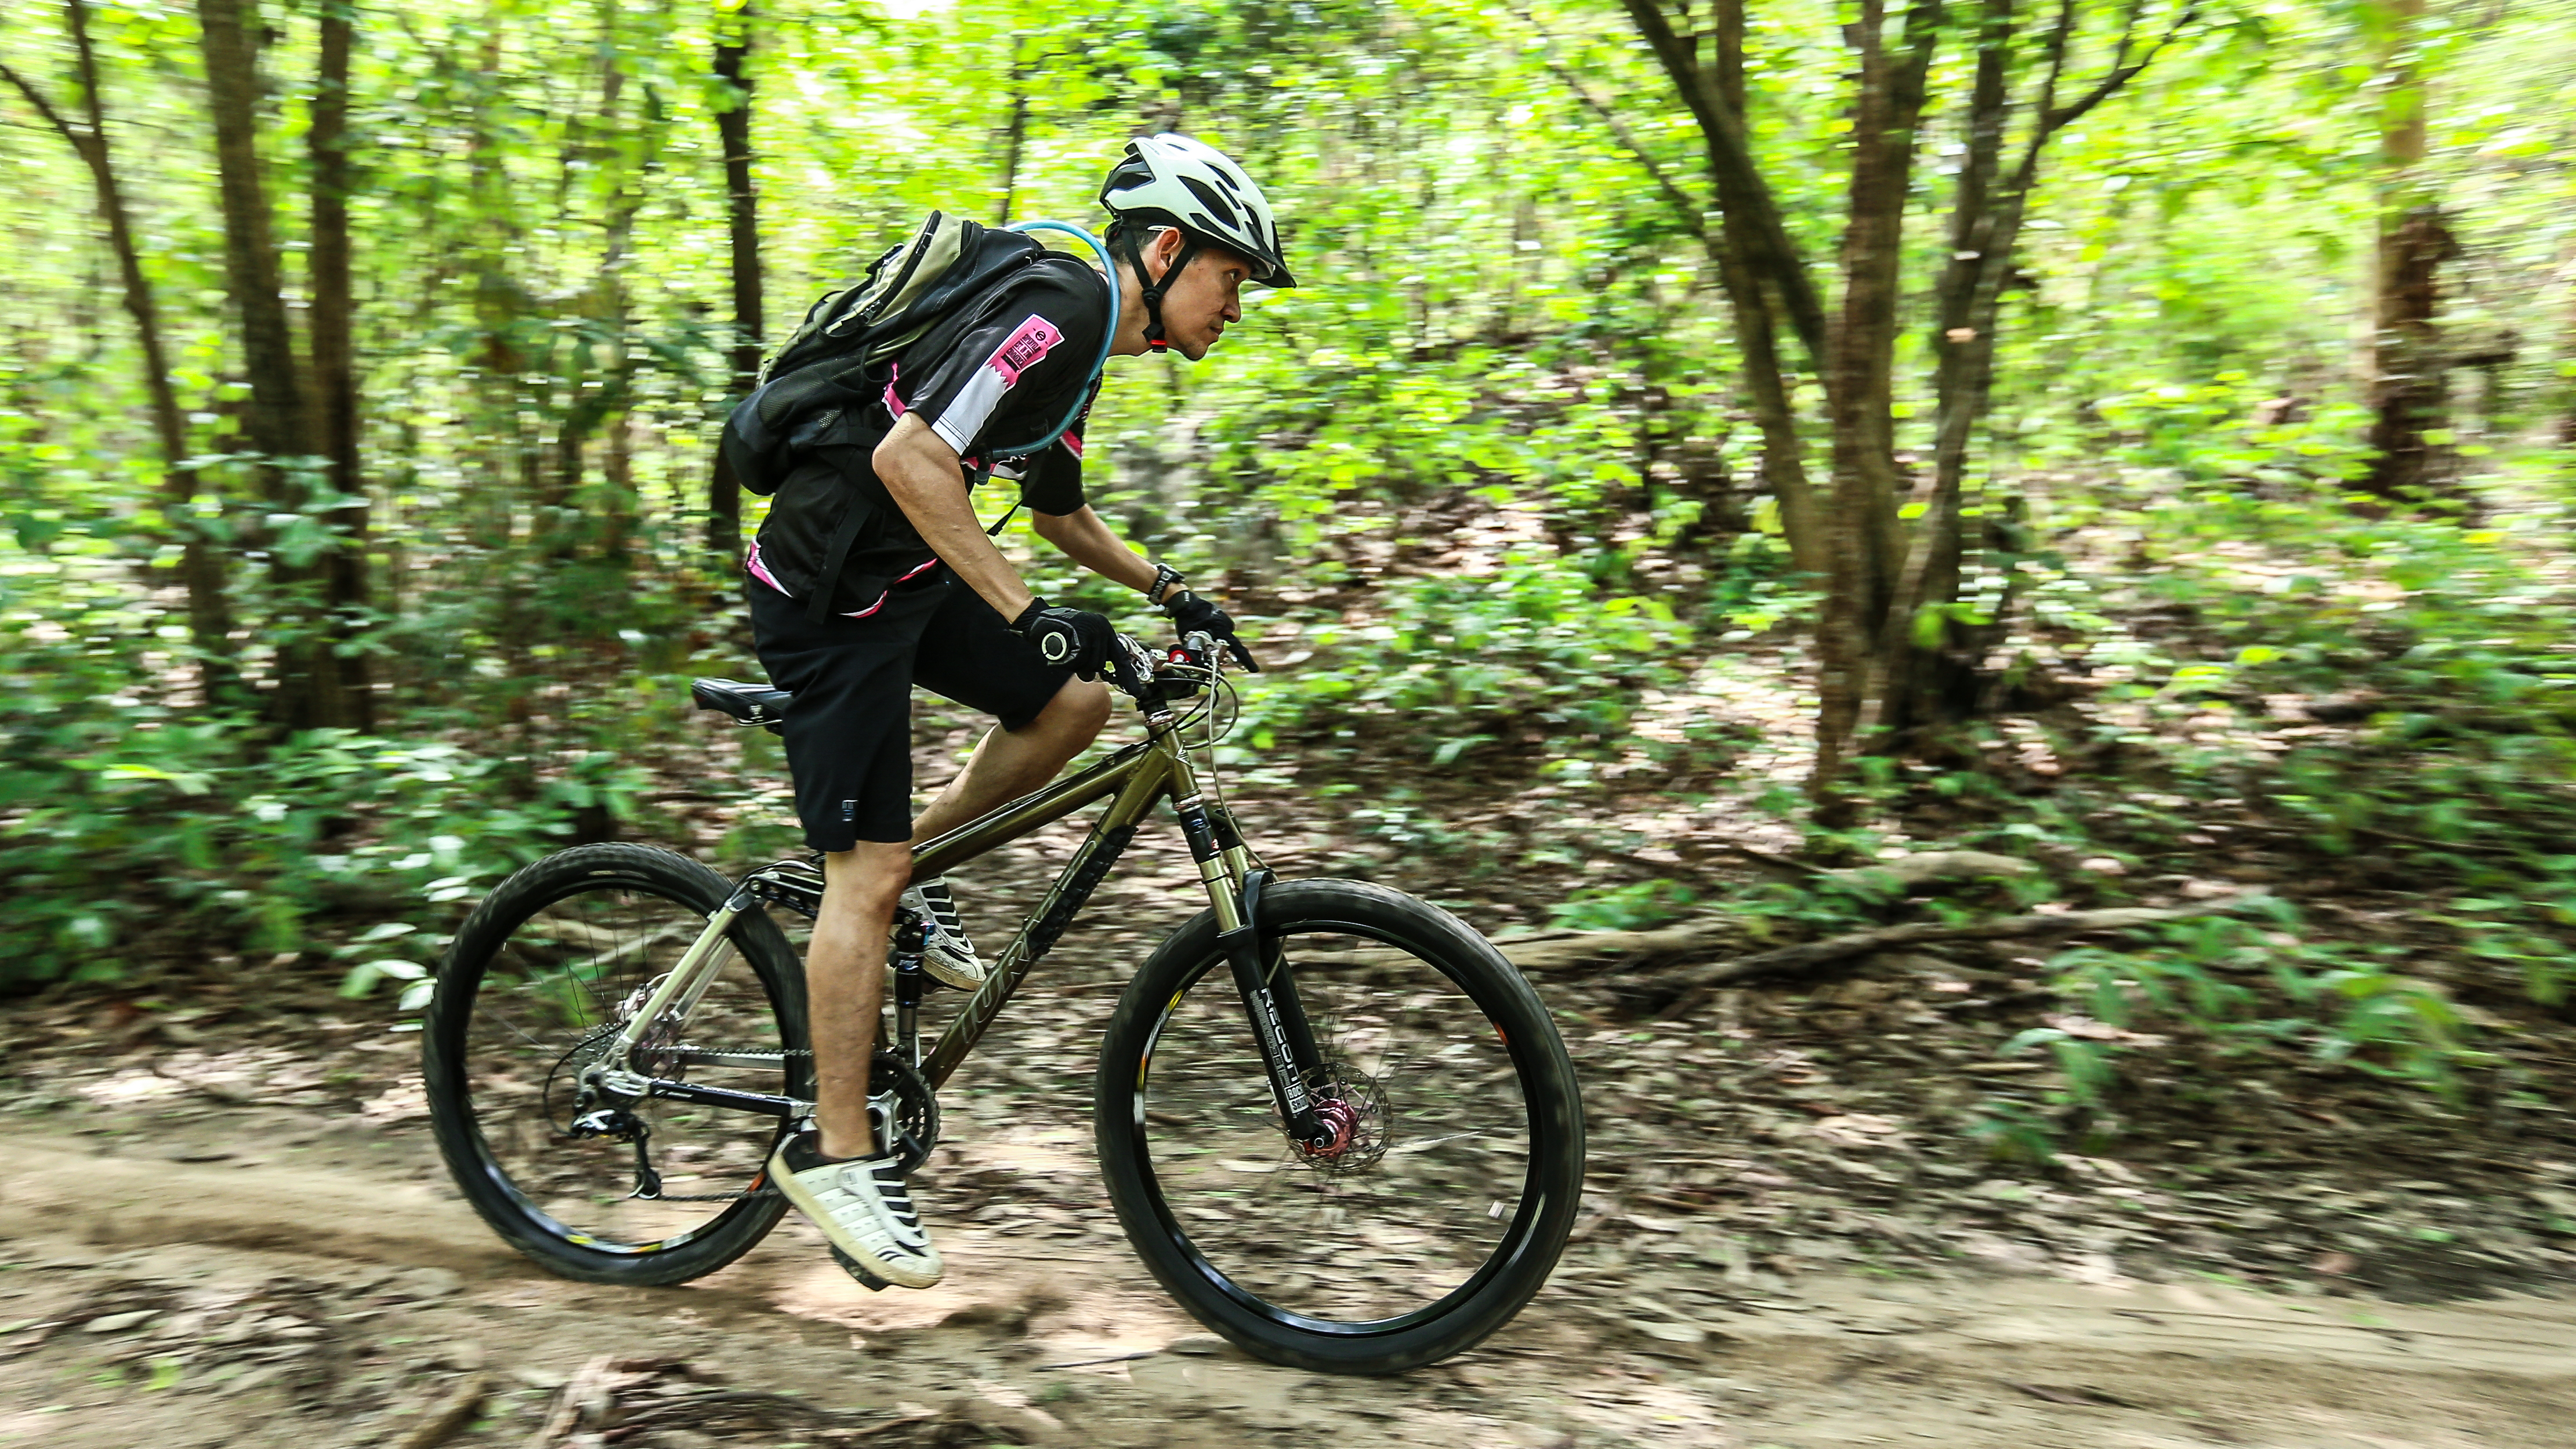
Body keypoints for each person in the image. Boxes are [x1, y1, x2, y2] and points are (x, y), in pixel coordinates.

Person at [749, 135, 1294, 1289]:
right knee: (863, 872)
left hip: (902, 571)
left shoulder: (1087, 342)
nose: (1234, 307)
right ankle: (834, 1155)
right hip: (832, 581)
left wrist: (1168, 592)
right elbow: (911, 457)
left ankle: (911, 877)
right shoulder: (1059, 299)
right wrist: (1030, 611)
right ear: (1164, 249)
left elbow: (1058, 513)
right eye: (1230, 277)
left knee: (1073, 703)